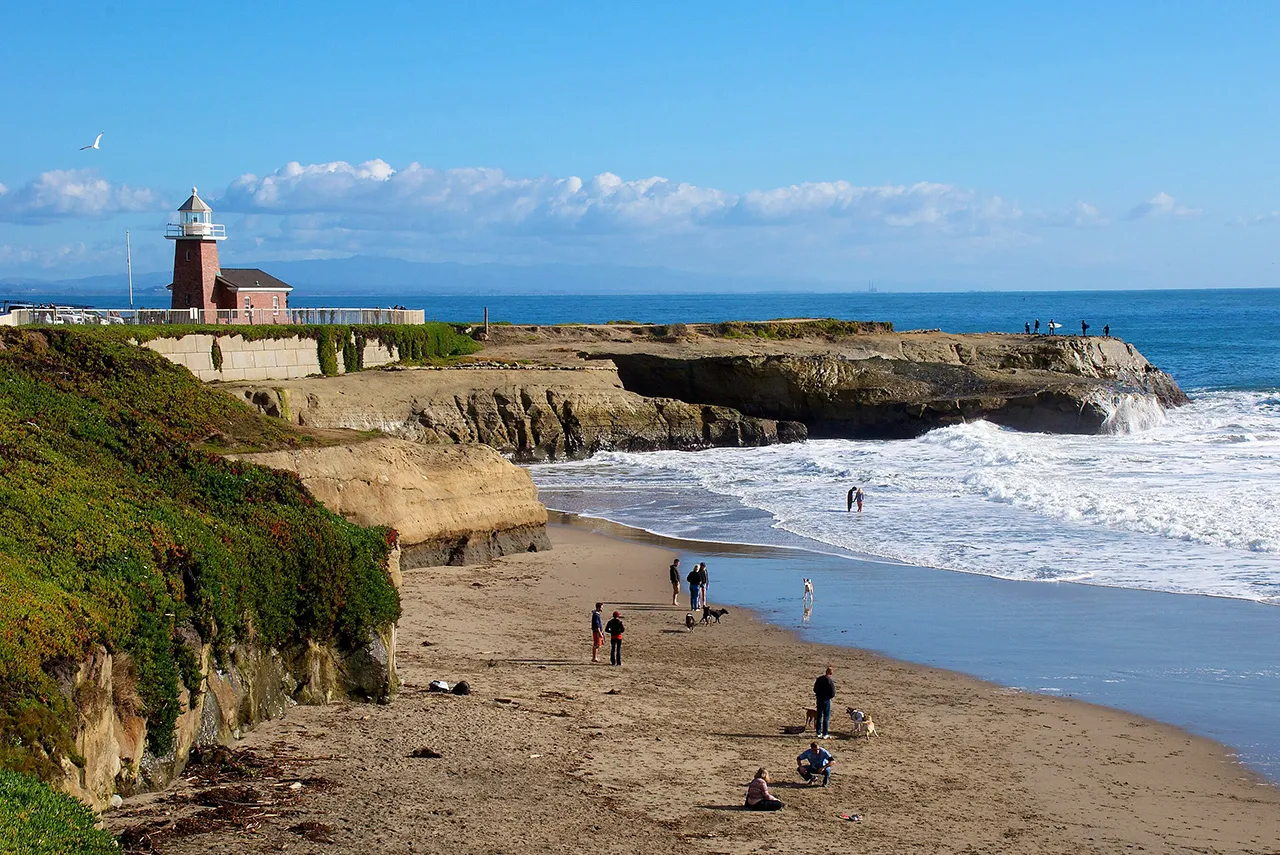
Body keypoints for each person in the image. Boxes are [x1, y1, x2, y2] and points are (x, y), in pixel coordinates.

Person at [813, 666, 836, 738]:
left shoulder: (819, 679)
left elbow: (815, 689)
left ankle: (818, 732)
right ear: (831, 673)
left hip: (819, 699)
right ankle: (825, 733)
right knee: (826, 717)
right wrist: (829, 697)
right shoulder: (829, 681)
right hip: (826, 700)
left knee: (819, 715)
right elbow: (833, 692)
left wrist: (818, 694)